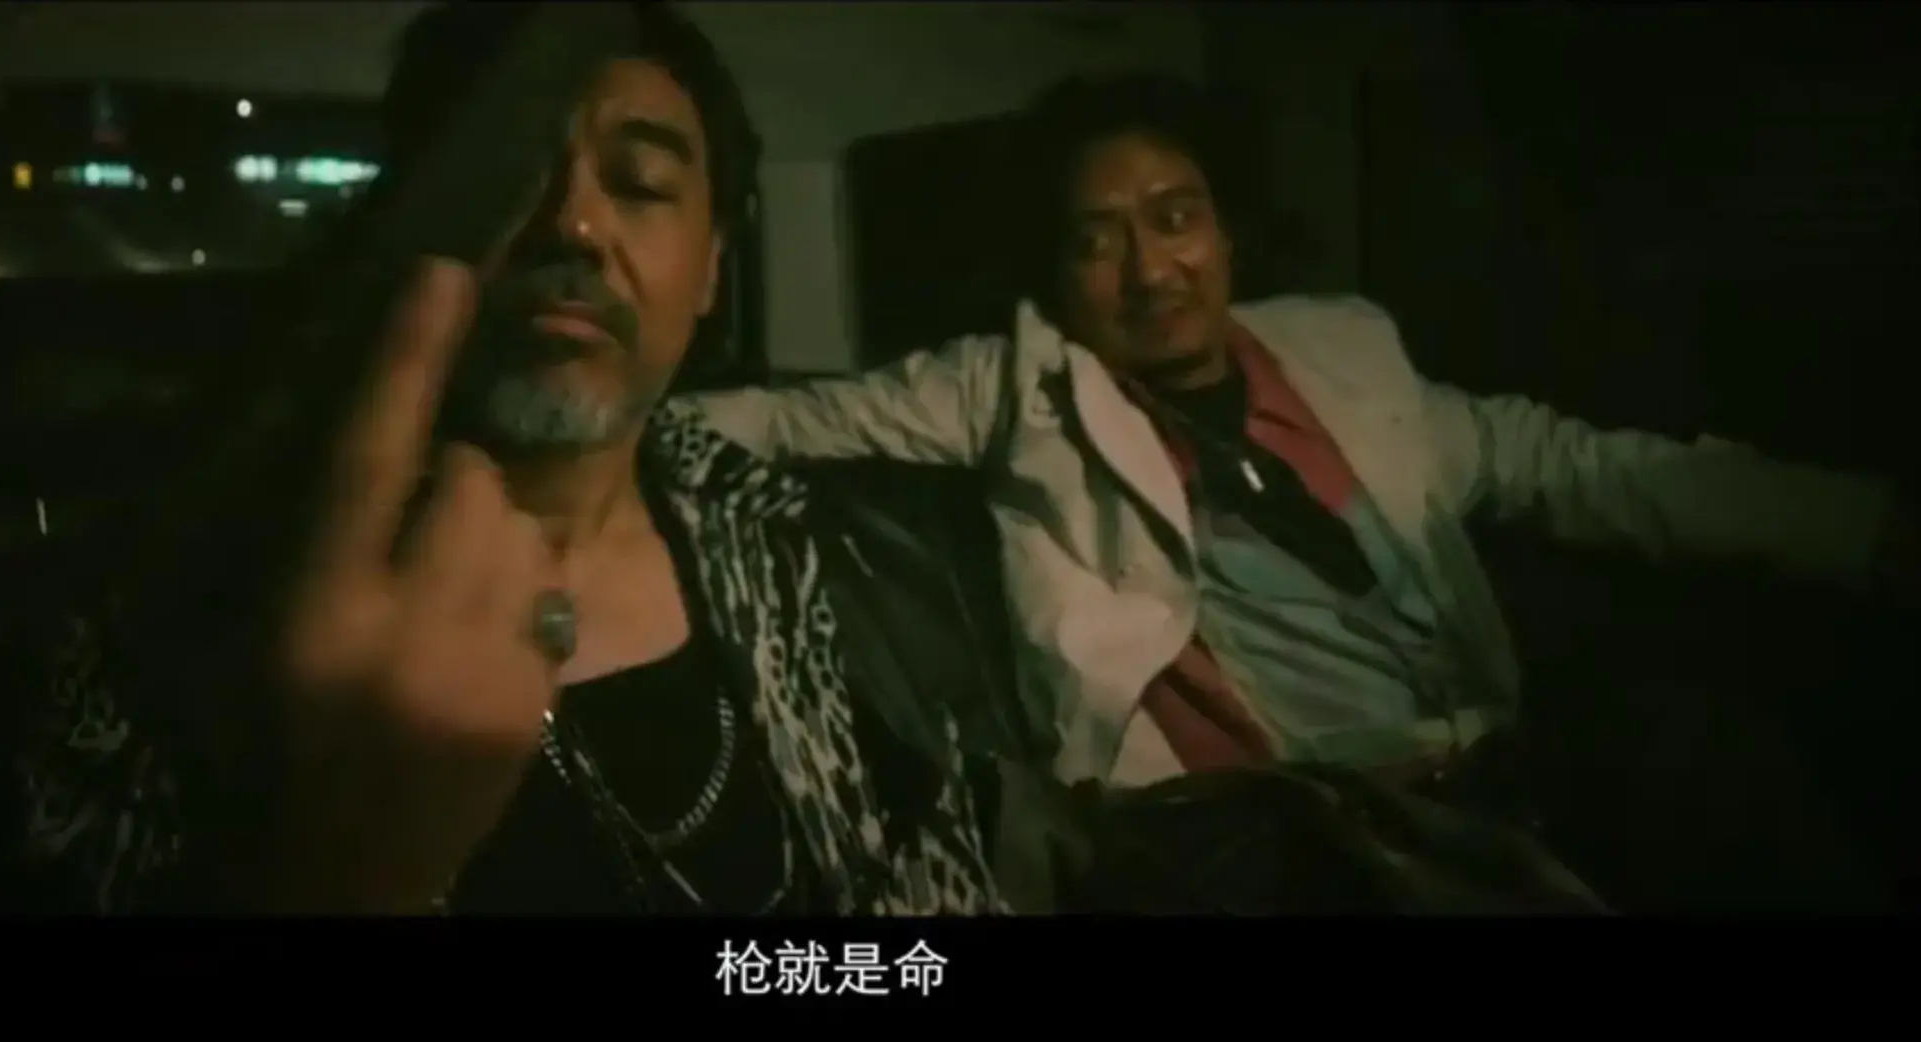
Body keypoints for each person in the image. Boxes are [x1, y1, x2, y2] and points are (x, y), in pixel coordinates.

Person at [0, 2, 1006, 916]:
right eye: (512, 174)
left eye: (641, 184)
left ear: (710, 270)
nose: (573, 224)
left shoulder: (819, 561)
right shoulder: (184, 612)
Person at [679, 72, 1917, 908]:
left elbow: (1572, 466)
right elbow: (789, 416)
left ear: (1226, 233)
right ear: (1056, 274)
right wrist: (588, 420)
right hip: (1283, 827)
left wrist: (1866, 529)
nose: (1149, 269)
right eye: (1097, 239)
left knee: (1710, 754)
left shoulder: (1345, 352)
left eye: (1175, 218)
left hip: (1491, 769)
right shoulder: (1019, 384)